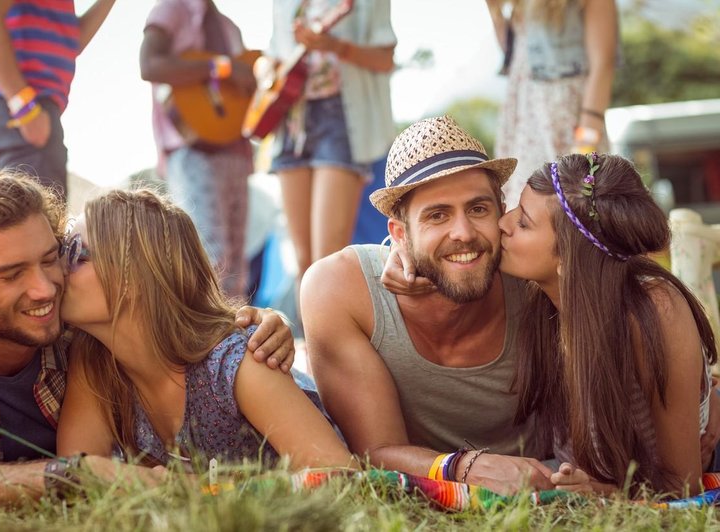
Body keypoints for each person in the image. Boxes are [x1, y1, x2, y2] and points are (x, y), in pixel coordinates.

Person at [0, 171, 295, 503]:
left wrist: (255, 319)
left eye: (51, 258)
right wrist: (69, 476)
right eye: (12, 274)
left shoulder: (81, 333)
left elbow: (156, 309)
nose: (45, 289)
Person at [301, 116, 555, 496]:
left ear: (501, 211)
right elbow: (374, 450)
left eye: (478, 209)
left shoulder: (533, 277)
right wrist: (465, 467)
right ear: (400, 234)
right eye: (437, 215)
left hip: (548, 481)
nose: (464, 233)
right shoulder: (341, 289)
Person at [56, 189, 355, 471]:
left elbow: (340, 474)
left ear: (130, 278)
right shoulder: (95, 359)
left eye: (74, 252)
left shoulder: (234, 364)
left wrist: (198, 493)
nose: (57, 268)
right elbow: (78, 479)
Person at [497, 153, 716, 495]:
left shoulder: (652, 311)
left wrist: (606, 495)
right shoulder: (540, 292)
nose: (503, 223)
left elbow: (682, 486)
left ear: (570, 259)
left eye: (523, 223)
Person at [267, 0, 396, 307]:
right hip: (292, 122)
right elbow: (271, 55)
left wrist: (335, 46)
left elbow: (385, 58)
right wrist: (269, 73)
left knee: (325, 262)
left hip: (342, 119)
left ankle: (329, 351)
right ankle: (313, 351)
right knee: (301, 262)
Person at [139, 0, 256, 297]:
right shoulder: (172, 9)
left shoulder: (230, 28)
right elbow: (150, 64)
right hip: (193, 151)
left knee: (236, 264)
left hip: (235, 150)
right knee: (208, 256)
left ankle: (234, 337)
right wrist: (223, 67)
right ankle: (210, 339)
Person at [0, 0, 117, 199]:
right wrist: (24, 107)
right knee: (37, 218)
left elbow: (71, 40)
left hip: (33, 108)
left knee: (41, 213)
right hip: (22, 107)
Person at [485, 0, 617, 208]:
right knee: (522, 206)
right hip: (523, 113)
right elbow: (512, 54)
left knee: (574, 204)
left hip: (563, 113)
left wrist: (586, 142)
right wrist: (494, 10)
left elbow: (603, 65)